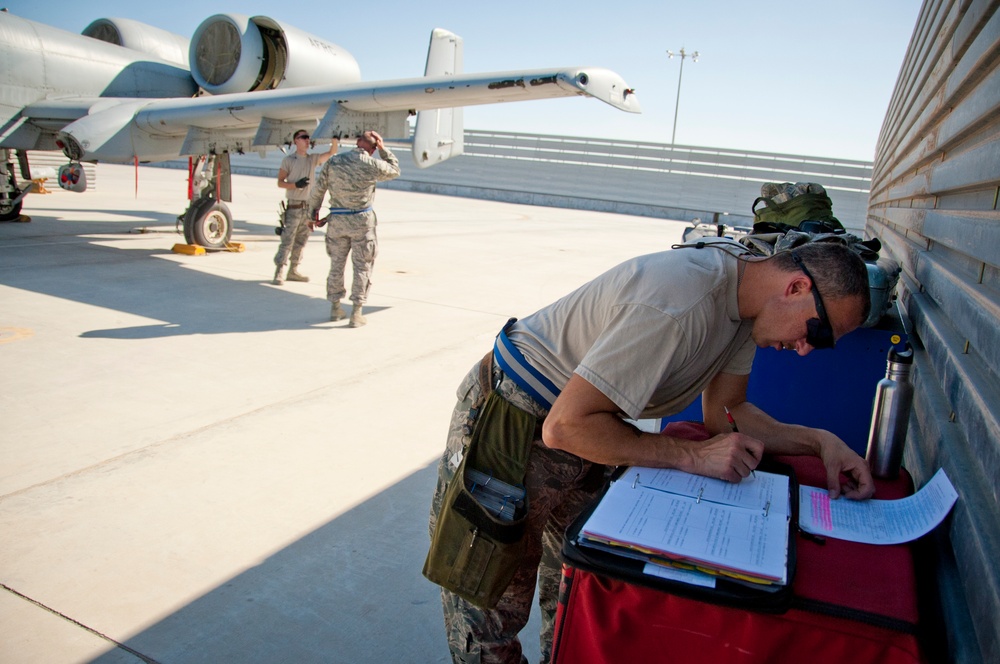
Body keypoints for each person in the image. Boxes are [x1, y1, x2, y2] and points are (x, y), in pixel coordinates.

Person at [426, 237, 876, 664]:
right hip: (516, 419)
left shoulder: (746, 306)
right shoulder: (680, 301)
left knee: (575, 586)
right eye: (816, 332)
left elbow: (727, 412)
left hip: (589, 427)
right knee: (486, 616)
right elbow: (564, 428)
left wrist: (821, 443)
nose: (803, 350)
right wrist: (695, 455)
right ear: (796, 287)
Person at [307, 130, 400, 327]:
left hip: (338, 221)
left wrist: (311, 215)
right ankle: (356, 313)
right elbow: (394, 170)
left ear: (357, 142)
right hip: (362, 222)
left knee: (336, 265)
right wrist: (384, 149)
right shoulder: (372, 164)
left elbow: (318, 190)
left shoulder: (334, 162)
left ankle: (335, 307)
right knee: (362, 266)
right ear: (373, 149)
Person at [272, 130, 338, 285]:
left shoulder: (312, 159)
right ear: (296, 141)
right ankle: (279, 271)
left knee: (301, 241)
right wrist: (295, 185)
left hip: (308, 208)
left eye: (308, 138)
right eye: (303, 137)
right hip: (294, 206)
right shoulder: (289, 160)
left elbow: (332, 152)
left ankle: (293, 270)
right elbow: (280, 182)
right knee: (287, 240)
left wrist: (334, 137)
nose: (307, 140)